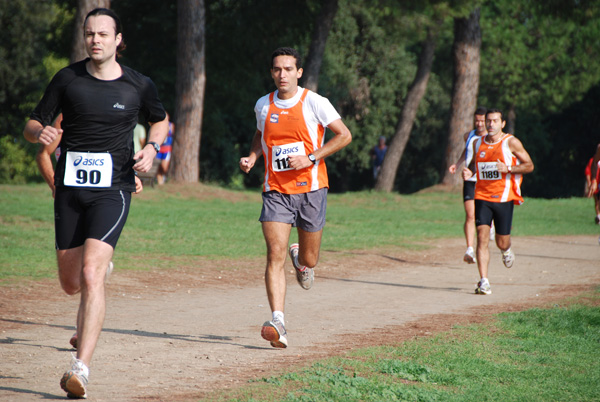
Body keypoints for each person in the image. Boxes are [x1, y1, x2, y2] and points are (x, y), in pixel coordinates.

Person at [23, 8, 168, 399]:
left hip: (114, 189)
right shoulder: (67, 79)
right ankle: (100, 270)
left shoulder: (138, 85)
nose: (95, 40)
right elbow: (32, 123)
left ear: (118, 39)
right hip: (70, 189)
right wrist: (42, 132)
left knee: (89, 274)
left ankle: (80, 369)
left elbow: (161, 119)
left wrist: (152, 149)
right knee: (72, 284)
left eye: (103, 34)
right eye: (89, 34)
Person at [239, 47, 352, 348]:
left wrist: (311, 157)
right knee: (274, 254)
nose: (282, 74)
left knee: (310, 258)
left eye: (288, 69)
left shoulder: (315, 102)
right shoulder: (263, 104)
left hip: (312, 189)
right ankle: (278, 320)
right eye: (277, 69)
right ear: (272, 72)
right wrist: (252, 156)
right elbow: (259, 134)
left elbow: (344, 135)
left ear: (299, 72)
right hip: (275, 190)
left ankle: (300, 261)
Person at [462, 108, 534, 295]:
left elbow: (529, 165)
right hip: (482, 197)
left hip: (504, 198)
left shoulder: (510, 142)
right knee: (482, 238)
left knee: (501, 242)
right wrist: (471, 173)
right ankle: (484, 281)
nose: (491, 124)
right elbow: (475, 165)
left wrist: (508, 168)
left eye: (495, 121)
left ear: (502, 123)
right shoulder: (478, 143)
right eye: (488, 121)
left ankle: (506, 250)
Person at [448, 107, 488, 264]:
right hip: (469, 180)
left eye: (482, 121)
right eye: (477, 120)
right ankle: (470, 249)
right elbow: (467, 151)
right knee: (470, 215)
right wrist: (457, 164)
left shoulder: (491, 139)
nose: (479, 123)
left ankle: (489, 228)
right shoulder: (469, 135)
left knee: (483, 215)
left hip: (485, 181)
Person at [155, 112, 174, 185]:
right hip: (159, 148)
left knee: (164, 166)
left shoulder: (171, 125)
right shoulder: (157, 125)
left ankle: (165, 177)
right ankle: (160, 183)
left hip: (167, 149)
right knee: (157, 166)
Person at [585, 154, 600, 224]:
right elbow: (588, 171)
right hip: (595, 184)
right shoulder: (593, 161)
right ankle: (598, 216)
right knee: (596, 201)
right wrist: (590, 183)